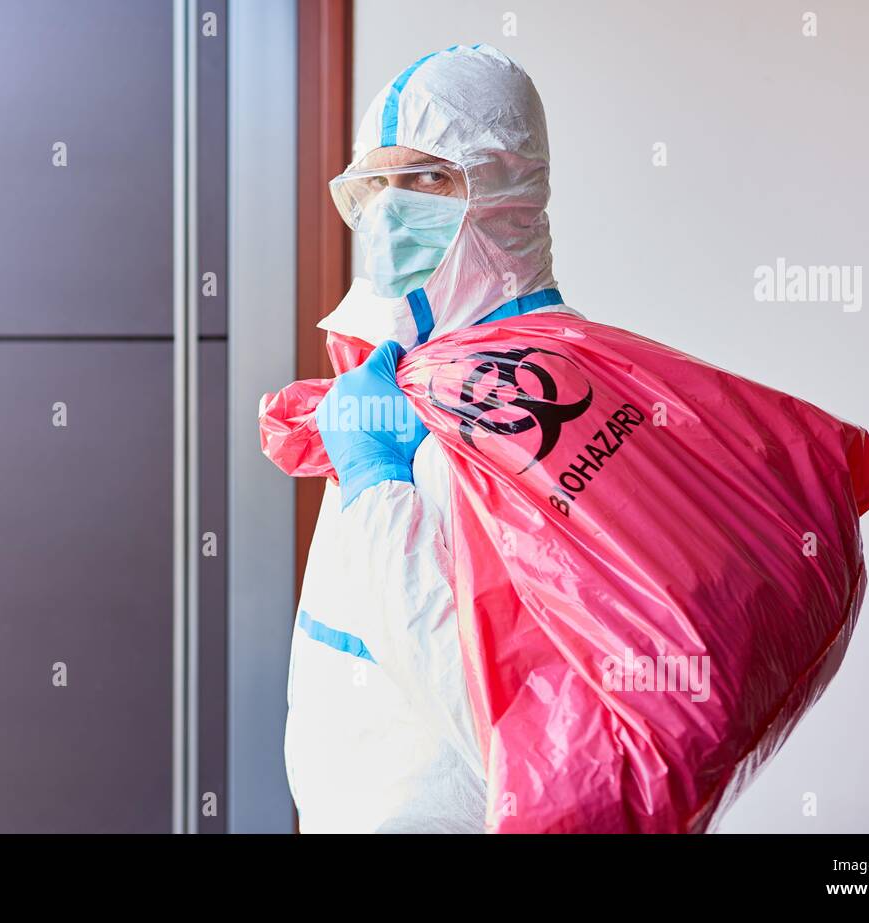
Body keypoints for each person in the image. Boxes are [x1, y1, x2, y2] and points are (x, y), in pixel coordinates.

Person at [284, 43, 583, 833]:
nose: (389, 210)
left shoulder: (544, 403)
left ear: (505, 189)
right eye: (373, 183)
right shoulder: (405, 380)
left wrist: (380, 478)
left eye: (426, 179)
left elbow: (512, 718)